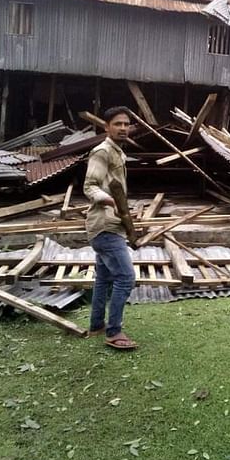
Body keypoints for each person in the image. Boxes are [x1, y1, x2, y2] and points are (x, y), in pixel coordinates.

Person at [83, 106, 138, 349]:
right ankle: (114, 332)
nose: (123, 128)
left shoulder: (118, 153)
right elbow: (90, 186)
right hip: (105, 226)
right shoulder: (102, 152)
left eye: (126, 124)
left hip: (109, 225)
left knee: (103, 278)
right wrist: (111, 201)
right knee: (125, 278)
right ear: (106, 127)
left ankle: (97, 325)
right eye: (118, 124)